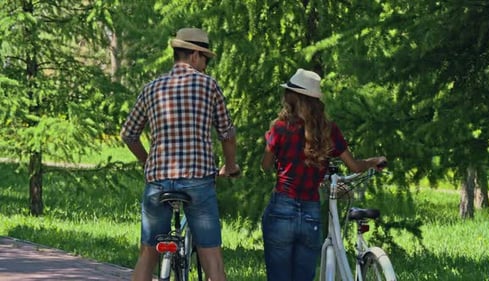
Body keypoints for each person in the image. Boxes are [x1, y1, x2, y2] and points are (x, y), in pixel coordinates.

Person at [120, 27, 240, 281]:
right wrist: (230, 165)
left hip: (158, 182)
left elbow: (128, 134)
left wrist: (147, 161)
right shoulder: (209, 86)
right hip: (198, 181)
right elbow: (227, 134)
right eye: (205, 59)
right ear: (195, 55)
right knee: (212, 259)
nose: (206, 65)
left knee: (147, 254)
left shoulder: (152, 88)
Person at [261, 68, 387, 281]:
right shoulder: (329, 130)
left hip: (281, 207)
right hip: (310, 212)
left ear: (291, 97)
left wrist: (274, 149)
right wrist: (374, 161)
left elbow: (265, 164)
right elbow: (355, 166)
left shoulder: (280, 127)